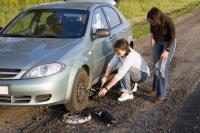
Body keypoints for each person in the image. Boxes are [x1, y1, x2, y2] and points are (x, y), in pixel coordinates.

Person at [147, 7, 176, 104]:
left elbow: (173, 37)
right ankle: (155, 87)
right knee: (156, 66)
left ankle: (161, 96)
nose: (150, 23)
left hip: (168, 44)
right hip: (158, 43)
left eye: (152, 21)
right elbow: (152, 29)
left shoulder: (168, 21)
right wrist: (152, 38)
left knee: (162, 69)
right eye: (149, 21)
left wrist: (167, 50)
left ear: (158, 19)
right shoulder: (153, 22)